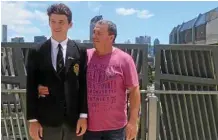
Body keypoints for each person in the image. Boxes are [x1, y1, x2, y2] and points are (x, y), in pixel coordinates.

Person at [26, 3, 88, 140]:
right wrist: (33, 120)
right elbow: (30, 87)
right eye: (53, 21)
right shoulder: (36, 51)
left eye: (61, 22)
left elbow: (84, 85)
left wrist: (83, 116)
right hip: (46, 122)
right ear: (48, 23)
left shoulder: (80, 51)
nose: (56, 26)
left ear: (70, 24)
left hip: (73, 122)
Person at [84, 20, 141, 140]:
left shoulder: (125, 60)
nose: (94, 36)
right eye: (94, 32)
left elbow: (134, 90)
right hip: (88, 127)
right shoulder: (85, 56)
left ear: (111, 37)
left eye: (99, 33)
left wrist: (133, 122)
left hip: (116, 128)